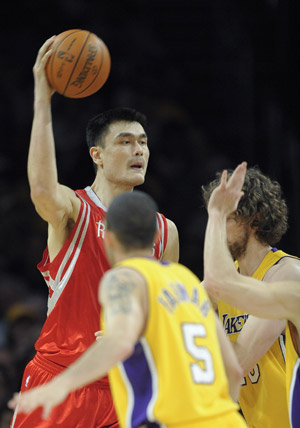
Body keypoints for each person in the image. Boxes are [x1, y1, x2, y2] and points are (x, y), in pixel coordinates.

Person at [10, 36, 179, 428]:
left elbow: (165, 312)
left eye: (143, 142)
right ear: (97, 155)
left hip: (123, 390)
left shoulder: (163, 231)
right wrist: (42, 99)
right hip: (61, 382)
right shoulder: (74, 209)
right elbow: (41, 190)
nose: (139, 150)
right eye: (126, 141)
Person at [9, 191, 247, 428]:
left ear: (109, 239)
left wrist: (59, 386)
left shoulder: (124, 278)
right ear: (156, 237)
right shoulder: (186, 280)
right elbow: (234, 371)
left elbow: (119, 343)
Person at [202, 163, 300, 428]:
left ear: (253, 219)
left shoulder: (288, 275)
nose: (216, 230)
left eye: (227, 217)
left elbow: (235, 365)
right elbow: (175, 306)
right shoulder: (223, 285)